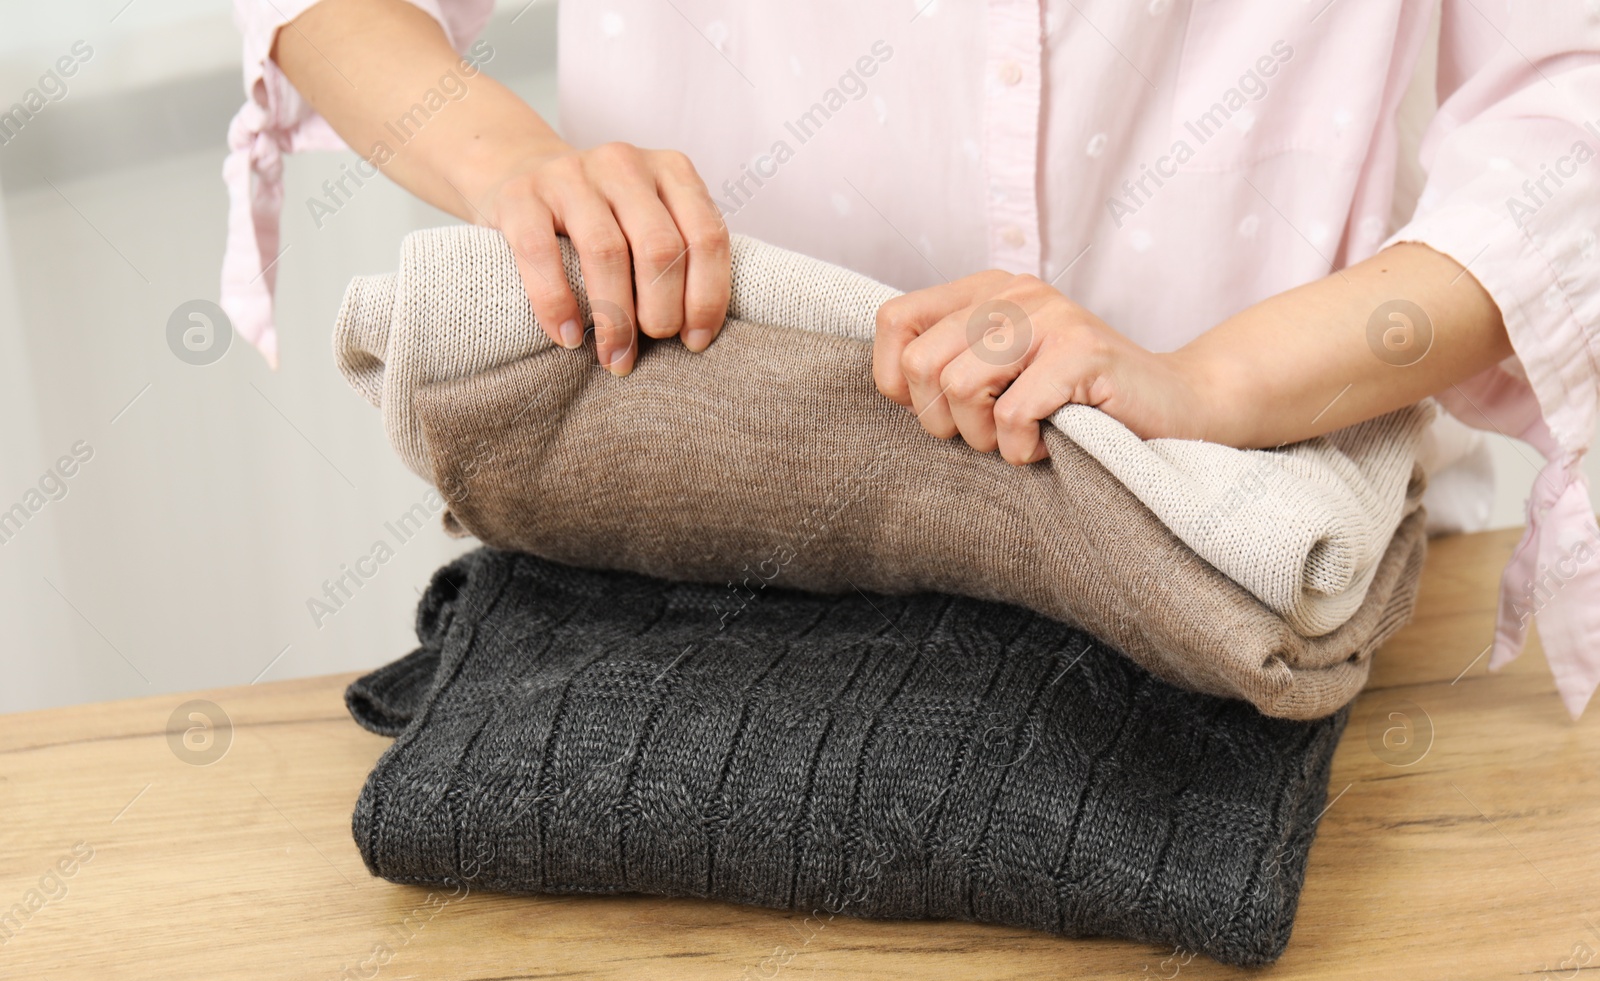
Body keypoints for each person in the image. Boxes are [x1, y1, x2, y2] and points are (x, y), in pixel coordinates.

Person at [224, 0, 1600, 717]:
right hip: (691, 613)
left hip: (1283, 588)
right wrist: (517, 169)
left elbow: (1570, 102)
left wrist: (1217, 385)